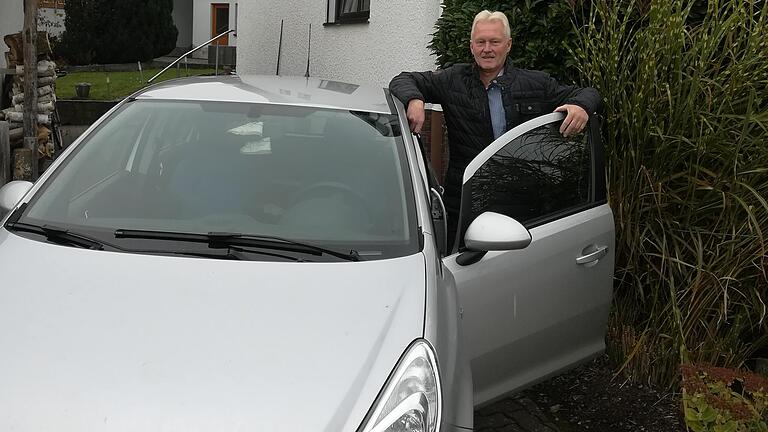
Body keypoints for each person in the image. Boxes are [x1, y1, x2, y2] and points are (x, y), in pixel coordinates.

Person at [389, 9, 601, 249]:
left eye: (494, 42)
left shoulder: (536, 83)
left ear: (508, 45)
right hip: (466, 204)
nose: (487, 49)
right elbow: (404, 79)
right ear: (471, 47)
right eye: (480, 42)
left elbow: (588, 92)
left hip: (521, 204)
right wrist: (415, 99)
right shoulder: (452, 80)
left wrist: (581, 106)